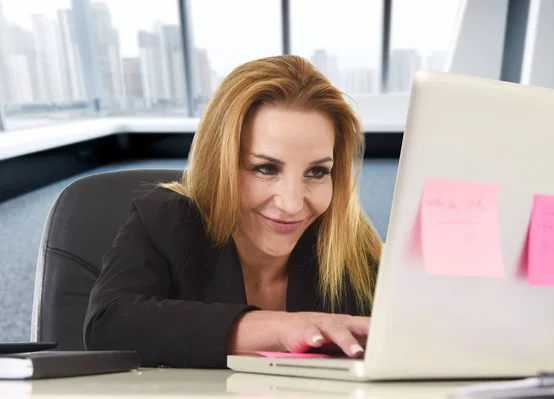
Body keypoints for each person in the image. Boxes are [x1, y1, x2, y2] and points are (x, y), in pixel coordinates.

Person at [83, 55, 382, 368]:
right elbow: (108, 325)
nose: (292, 204)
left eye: (317, 172)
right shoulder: (166, 219)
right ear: (219, 165)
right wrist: (280, 329)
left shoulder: (350, 243)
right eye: (265, 168)